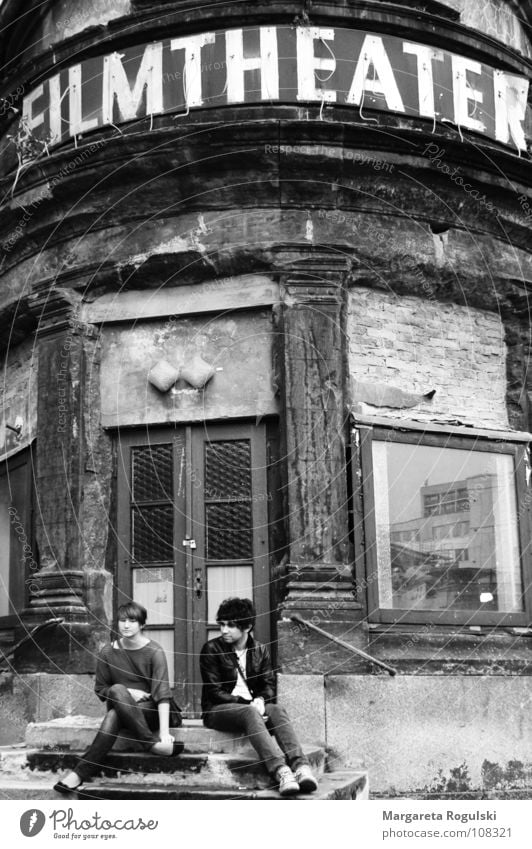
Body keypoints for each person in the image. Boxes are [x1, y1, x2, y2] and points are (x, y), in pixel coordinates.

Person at [54, 601, 180, 794]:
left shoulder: (154, 651)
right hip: (122, 708)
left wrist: (164, 732)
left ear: (142, 625)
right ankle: (150, 744)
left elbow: (162, 695)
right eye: (122, 620)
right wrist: (128, 693)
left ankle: (79, 774)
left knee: (113, 715)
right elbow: (101, 689)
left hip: (151, 711)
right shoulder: (107, 651)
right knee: (117, 691)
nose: (126, 625)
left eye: (132, 620)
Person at [200, 597, 318, 797]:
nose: (223, 630)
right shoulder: (211, 649)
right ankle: (281, 771)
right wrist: (249, 704)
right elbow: (215, 691)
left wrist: (262, 700)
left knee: (278, 710)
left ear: (247, 627)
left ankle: (301, 767)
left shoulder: (260, 650)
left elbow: (268, 684)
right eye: (221, 624)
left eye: (230, 625)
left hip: (252, 708)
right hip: (218, 710)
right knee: (249, 712)